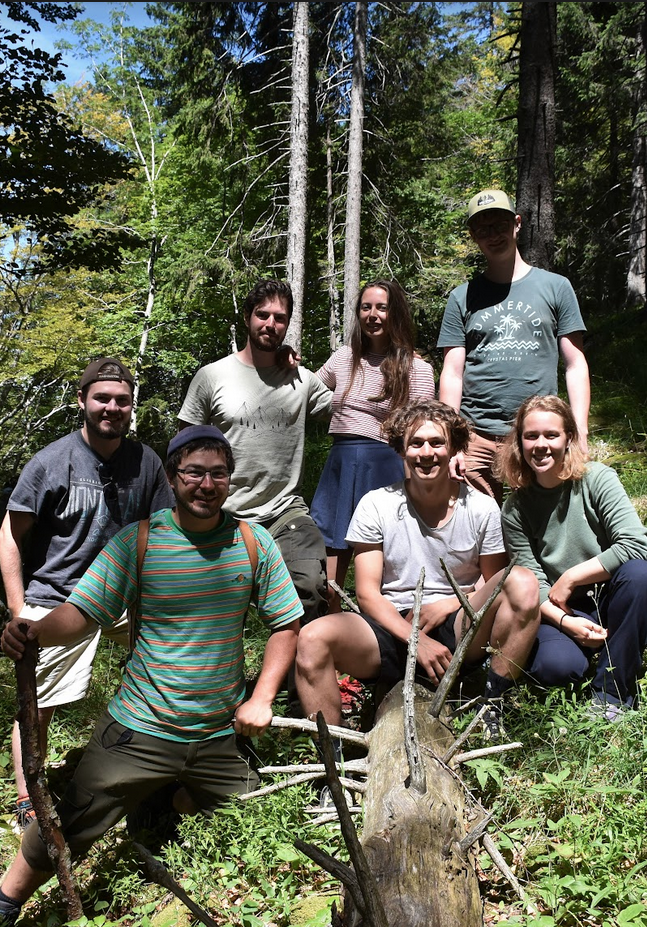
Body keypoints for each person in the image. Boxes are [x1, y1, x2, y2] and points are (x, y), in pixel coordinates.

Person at [0, 425, 303, 927]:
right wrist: (36, 630)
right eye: (193, 472)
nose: (206, 484)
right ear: (173, 478)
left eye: (218, 474)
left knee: (256, 812)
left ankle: (161, 805)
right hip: (139, 729)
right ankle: (2, 904)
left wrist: (262, 697)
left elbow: (285, 623)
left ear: (229, 481)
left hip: (219, 733)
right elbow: (84, 612)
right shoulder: (139, 541)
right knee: (70, 821)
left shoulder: (251, 541)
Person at [0, 357, 174, 830]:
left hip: (126, 596)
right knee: (39, 702)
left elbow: (165, 531)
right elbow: (10, 535)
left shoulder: (147, 462)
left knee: (177, 663)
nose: (112, 408)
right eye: (102, 399)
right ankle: (27, 794)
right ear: (82, 401)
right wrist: (19, 610)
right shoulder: (52, 461)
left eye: (122, 400)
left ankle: (171, 765)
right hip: (61, 596)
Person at [295, 400, 540, 737]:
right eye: (416, 443)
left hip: (458, 626)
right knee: (311, 637)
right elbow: (367, 593)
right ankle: (332, 757)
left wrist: (449, 603)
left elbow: (494, 581)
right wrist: (415, 640)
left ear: (453, 448)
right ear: (401, 450)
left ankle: (491, 703)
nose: (427, 453)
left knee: (523, 581)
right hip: (391, 625)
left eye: (437, 443)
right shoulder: (376, 504)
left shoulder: (481, 507)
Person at [495, 395, 647, 719]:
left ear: (569, 438)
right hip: (560, 610)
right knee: (556, 669)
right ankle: (599, 653)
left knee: (642, 576)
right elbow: (531, 581)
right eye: (531, 436)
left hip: (612, 597)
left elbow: (634, 544)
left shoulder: (596, 478)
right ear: (519, 443)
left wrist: (570, 577)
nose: (541, 445)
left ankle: (610, 693)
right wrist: (568, 623)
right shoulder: (515, 509)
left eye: (551, 435)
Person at [178, 278, 334, 622]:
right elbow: (182, 448)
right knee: (212, 610)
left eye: (280, 318)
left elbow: (349, 409)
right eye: (263, 315)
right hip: (222, 512)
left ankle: (298, 674)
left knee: (310, 588)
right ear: (248, 317)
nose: (270, 324)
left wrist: (393, 361)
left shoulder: (302, 380)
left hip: (285, 511)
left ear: (288, 324)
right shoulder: (212, 376)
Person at [437, 188, 591, 501]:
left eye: (500, 225)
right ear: (474, 236)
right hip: (474, 436)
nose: (493, 235)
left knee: (541, 526)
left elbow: (575, 364)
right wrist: (449, 437)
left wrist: (580, 429)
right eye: (483, 229)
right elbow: (452, 373)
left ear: (516, 224)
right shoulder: (461, 297)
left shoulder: (556, 287)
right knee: (478, 531)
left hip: (537, 436)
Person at [310, 279, 435, 612]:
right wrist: (284, 361)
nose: (373, 314)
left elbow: (423, 430)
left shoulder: (416, 368)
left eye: (382, 307)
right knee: (328, 579)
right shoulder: (343, 358)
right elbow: (304, 390)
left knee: (380, 576)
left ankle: (379, 649)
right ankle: (331, 648)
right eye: (366, 307)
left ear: (395, 313)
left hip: (385, 469)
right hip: (340, 465)